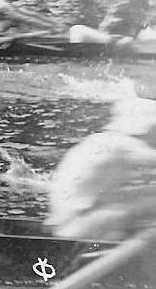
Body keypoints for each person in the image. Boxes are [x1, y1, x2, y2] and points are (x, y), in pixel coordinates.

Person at [46, 92, 156, 240]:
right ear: (146, 127)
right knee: (146, 205)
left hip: (67, 223)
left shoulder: (98, 141)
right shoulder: (122, 146)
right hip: (77, 229)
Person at [68, 0, 139, 45]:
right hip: (109, 37)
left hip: (116, 40)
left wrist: (130, 36)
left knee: (76, 29)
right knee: (77, 30)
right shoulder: (115, 6)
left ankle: (76, 51)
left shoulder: (124, 6)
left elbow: (134, 23)